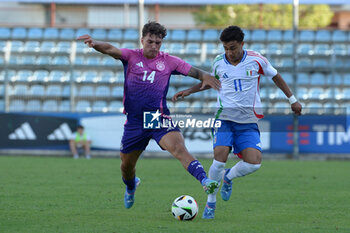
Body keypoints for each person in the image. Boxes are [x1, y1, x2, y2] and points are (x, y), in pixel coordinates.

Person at [77, 21, 221, 209]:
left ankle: (205, 181)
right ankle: (131, 186)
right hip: (135, 122)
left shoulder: (169, 61)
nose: (154, 46)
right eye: (150, 41)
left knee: (179, 148)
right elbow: (111, 49)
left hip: (156, 117)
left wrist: (205, 76)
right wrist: (95, 43)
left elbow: (194, 71)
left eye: (158, 43)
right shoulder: (131, 56)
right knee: (126, 167)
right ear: (142, 39)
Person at [173, 25, 302, 219]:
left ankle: (229, 177)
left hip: (248, 120)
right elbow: (209, 82)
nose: (229, 52)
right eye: (225, 48)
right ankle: (211, 203)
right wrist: (188, 91)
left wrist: (293, 100)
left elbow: (275, 76)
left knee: (254, 163)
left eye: (232, 48)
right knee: (219, 157)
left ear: (242, 44)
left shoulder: (257, 60)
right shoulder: (218, 63)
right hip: (224, 117)